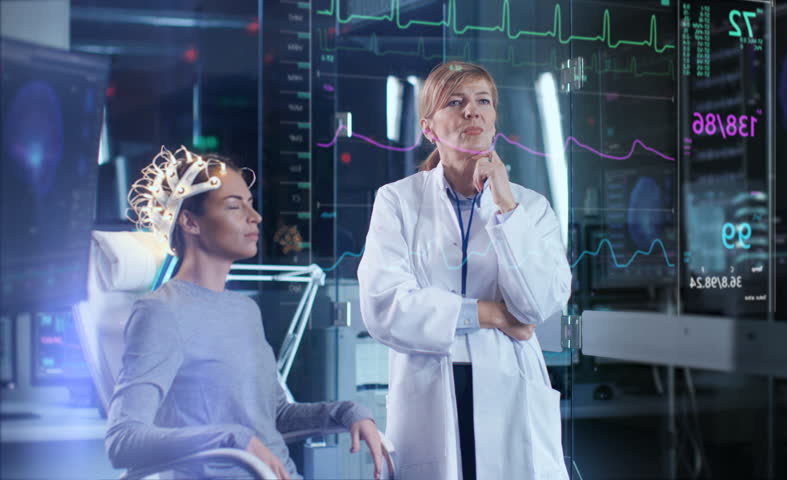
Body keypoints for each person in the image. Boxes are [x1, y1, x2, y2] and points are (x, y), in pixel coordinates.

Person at [107, 146, 392, 480]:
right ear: (189, 221)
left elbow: (273, 415)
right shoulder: (161, 312)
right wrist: (233, 438)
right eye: (233, 206)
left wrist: (346, 412)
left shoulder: (244, 310)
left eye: (250, 203)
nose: (254, 216)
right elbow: (122, 440)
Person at [358, 62, 572, 479]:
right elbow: (385, 306)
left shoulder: (530, 208)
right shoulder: (397, 201)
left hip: (510, 388)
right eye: (455, 102)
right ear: (429, 128)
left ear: (494, 121)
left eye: (483, 101)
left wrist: (507, 208)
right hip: (432, 389)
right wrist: (489, 314)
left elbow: (538, 305)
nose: (471, 111)